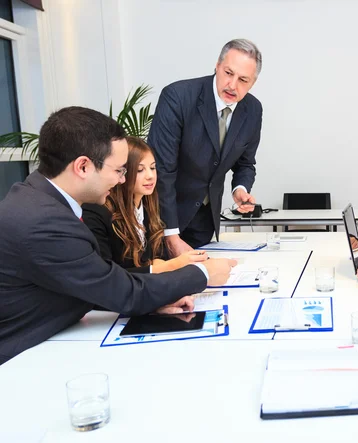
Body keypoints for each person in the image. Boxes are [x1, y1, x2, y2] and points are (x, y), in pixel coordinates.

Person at [0, 106, 235, 366]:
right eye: (119, 170)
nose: (123, 180)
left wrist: (152, 300)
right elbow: (121, 291)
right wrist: (202, 274)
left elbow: (96, 281)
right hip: (18, 360)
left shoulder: (38, 199)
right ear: (83, 166)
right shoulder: (45, 221)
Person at [148, 38, 263, 253]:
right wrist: (171, 235)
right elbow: (162, 170)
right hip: (165, 220)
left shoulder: (253, 110)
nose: (232, 85)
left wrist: (240, 189)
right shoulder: (178, 97)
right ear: (217, 66)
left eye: (243, 80)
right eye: (228, 73)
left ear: (252, 83)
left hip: (204, 222)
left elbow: (245, 164)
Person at [83, 136, 207, 273]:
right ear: (121, 172)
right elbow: (106, 276)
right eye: (139, 170)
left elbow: (152, 260)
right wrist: (173, 265)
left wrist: (179, 264)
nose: (150, 176)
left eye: (153, 168)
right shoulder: (98, 212)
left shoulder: (149, 209)